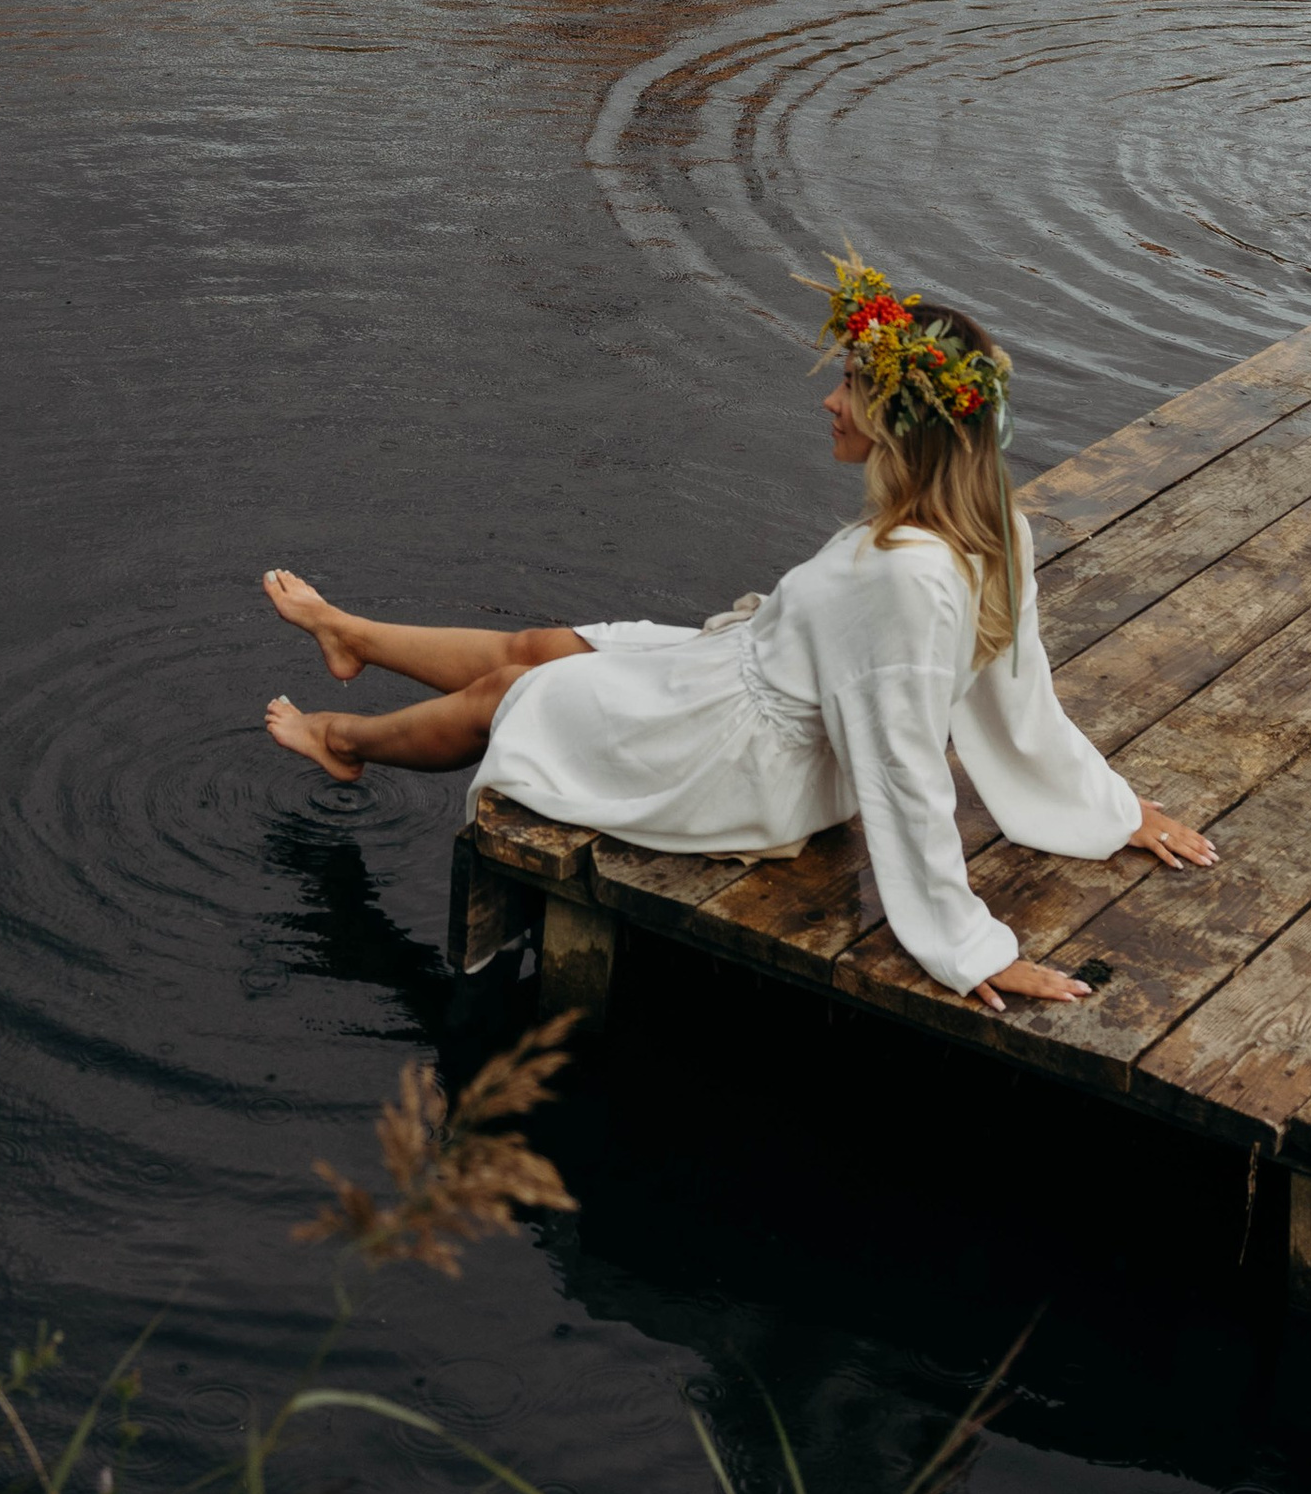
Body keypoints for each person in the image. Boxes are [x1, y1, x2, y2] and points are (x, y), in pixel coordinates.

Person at [262, 254, 1214, 1016]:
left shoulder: (908, 576)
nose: (829, 402)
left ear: (899, 424)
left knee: (518, 697)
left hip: (754, 762)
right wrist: (1112, 807)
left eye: (849, 386)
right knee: (550, 646)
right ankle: (351, 636)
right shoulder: (988, 522)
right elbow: (1022, 689)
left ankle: (341, 741)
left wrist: (965, 944)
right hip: (745, 677)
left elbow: (904, 761)